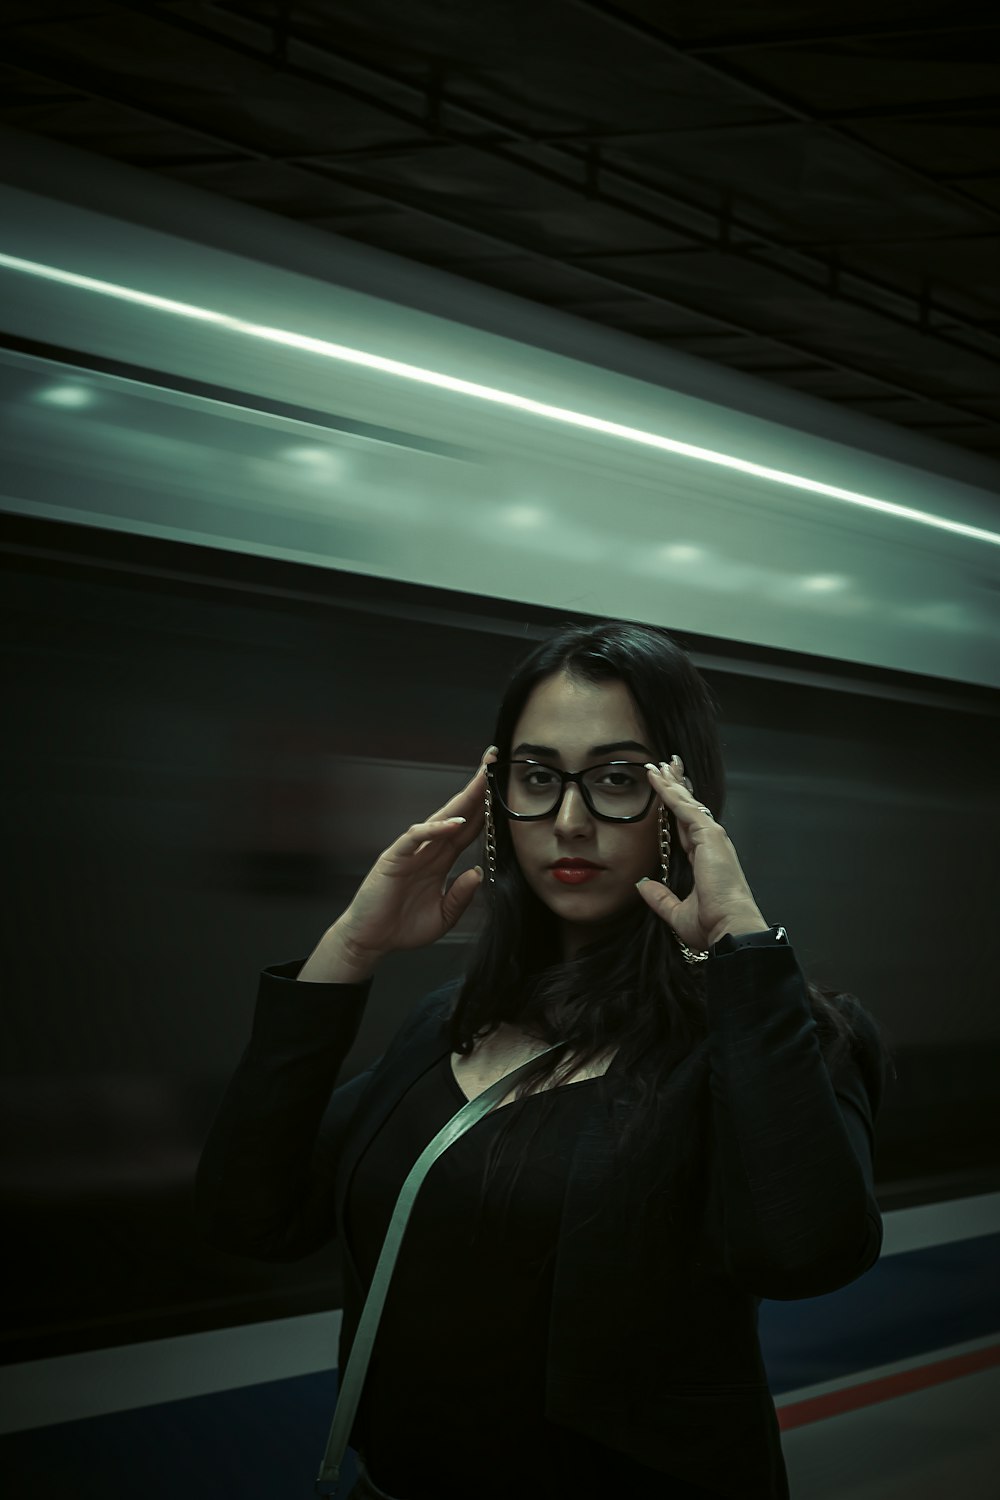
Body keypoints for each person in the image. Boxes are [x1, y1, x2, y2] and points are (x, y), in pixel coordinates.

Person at [196, 620, 890, 1500]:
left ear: (685, 803)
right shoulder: (452, 1024)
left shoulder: (778, 1039)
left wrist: (741, 958)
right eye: (535, 778)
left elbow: (808, 1256)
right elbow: (249, 1216)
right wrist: (349, 948)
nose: (568, 820)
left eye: (617, 781)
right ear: (497, 798)